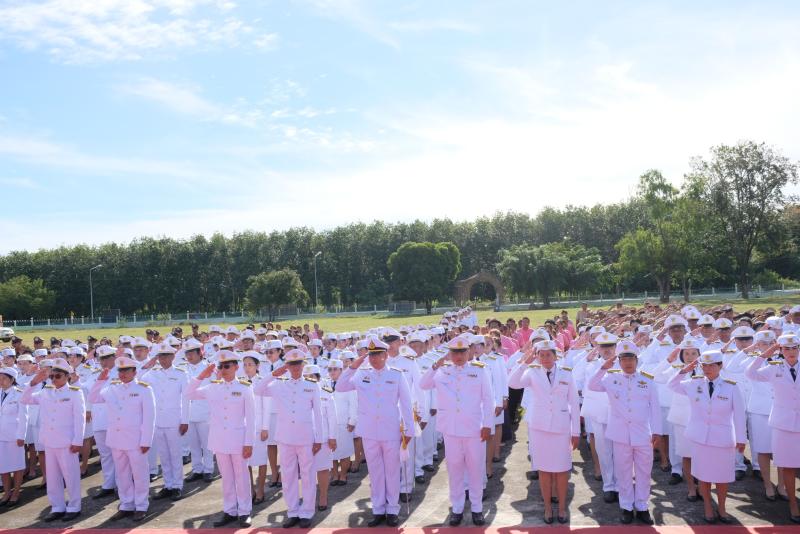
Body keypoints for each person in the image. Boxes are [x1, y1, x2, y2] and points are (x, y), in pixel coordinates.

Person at [336, 337, 414, 528]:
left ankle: (392, 509)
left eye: (377, 354)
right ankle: (378, 509)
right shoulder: (361, 374)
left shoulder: (396, 375)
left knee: (392, 471)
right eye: (370, 355)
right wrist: (354, 365)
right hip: (369, 432)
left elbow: (406, 403)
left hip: (391, 431)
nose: (373, 358)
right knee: (375, 472)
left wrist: (409, 429)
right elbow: (340, 386)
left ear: (385, 355)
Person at [420, 335, 494, 527]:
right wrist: (437, 364)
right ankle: (457, 508)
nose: (459, 356)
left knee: (476, 469)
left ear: (469, 352)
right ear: (450, 354)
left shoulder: (479, 370)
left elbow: (488, 399)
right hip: (451, 430)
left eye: (462, 352)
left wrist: (488, 424)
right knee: (454, 470)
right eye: (455, 352)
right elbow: (423, 384)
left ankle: (477, 508)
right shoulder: (442, 371)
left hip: (474, 429)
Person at [588, 340, 662, 525]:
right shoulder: (610, 378)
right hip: (620, 435)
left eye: (631, 359)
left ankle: (642, 506)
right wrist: (604, 367)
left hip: (643, 434)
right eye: (624, 359)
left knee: (644, 472)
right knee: (624, 472)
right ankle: (627, 506)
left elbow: (655, 408)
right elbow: (592, 385)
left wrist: (657, 431)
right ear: (619, 361)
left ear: (637, 360)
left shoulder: (647, 380)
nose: (628, 363)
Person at [669, 349, 745, 523]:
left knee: (723, 476)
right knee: (703, 475)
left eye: (712, 365)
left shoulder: (731, 386)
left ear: (720, 366)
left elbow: (739, 415)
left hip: (723, 439)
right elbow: (671, 385)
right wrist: (684, 370)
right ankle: (708, 507)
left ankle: (722, 508)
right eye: (704, 365)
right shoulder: (693, 383)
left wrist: (741, 439)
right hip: (700, 438)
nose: (708, 369)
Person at [509, 339, 579, 524]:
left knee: (562, 470)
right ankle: (547, 507)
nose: (545, 358)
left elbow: (574, 403)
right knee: (544, 470)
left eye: (549, 354)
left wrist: (576, 432)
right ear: (537, 356)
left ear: (555, 356)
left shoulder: (566, 373)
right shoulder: (532, 372)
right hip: (540, 428)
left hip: (561, 428)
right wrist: (525, 362)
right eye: (542, 355)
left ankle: (562, 507)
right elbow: (513, 383)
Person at [254, 348, 323, 528]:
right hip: (285, 438)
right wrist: (274, 374)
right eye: (292, 364)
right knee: (288, 476)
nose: (295, 367)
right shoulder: (279, 384)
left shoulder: (312, 385)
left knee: (308, 475)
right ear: (287, 366)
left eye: (298, 364)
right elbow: (257, 389)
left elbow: (318, 414)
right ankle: (292, 511)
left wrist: (319, 438)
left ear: (303, 365)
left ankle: (307, 512)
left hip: (306, 437)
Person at [187, 350, 256, 528]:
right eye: (221, 366)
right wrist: (202, 375)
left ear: (236, 367)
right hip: (219, 440)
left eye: (227, 366)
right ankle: (230, 510)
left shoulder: (245, 388)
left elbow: (251, 418)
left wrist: (249, 443)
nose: (223, 369)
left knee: (241, 477)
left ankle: (244, 511)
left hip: (239, 440)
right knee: (226, 478)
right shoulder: (213, 387)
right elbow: (188, 394)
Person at [90, 356, 156, 522]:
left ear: (134, 372)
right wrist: (100, 381)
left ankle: (141, 505)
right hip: (116, 439)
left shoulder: (144, 389)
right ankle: (126, 504)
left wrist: (146, 440)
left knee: (139, 474)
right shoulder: (112, 388)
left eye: (126, 370)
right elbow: (93, 398)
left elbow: (149, 417)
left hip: (136, 440)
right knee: (122, 474)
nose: (123, 374)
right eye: (120, 370)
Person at [21, 358, 86, 522]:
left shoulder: (74, 393)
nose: (54, 379)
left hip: (67, 442)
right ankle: (57, 507)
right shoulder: (45, 392)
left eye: (58, 376)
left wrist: (78, 441)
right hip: (49, 441)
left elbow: (80, 419)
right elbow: (25, 400)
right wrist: (33, 383)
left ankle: (74, 506)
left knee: (71, 476)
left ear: (67, 376)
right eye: (52, 376)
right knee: (52, 477)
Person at [746, 333, 800, 523]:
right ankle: (793, 505)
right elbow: (750, 374)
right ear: (781, 350)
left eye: (795, 348)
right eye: (786, 348)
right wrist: (767, 352)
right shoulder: (774, 368)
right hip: (783, 424)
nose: (791, 352)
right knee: (788, 465)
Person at [141, 343, 189, 501]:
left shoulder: (181, 373)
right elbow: (139, 381)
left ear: (173, 356)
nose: (163, 359)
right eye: (160, 356)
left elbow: (185, 399)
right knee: (163, 455)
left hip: (174, 419)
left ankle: (177, 486)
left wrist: (185, 420)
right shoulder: (151, 373)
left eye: (166, 356)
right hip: (158, 420)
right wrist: (147, 365)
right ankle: (168, 485)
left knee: (175, 454)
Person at [0, 367, 27, 508]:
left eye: (4, 378)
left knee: (17, 466)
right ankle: (6, 492)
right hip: (1, 436)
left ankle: (16, 493)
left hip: (14, 436)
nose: (1, 381)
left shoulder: (19, 394)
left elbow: (24, 417)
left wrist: (21, 436)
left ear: (12, 380)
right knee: (3, 466)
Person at [328, 359, 357, 485]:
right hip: (329, 425)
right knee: (331, 453)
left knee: (344, 452)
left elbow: (354, 404)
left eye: (335, 369)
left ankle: (343, 475)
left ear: (341, 370)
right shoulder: (325, 384)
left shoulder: (348, 384)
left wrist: (352, 421)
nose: (332, 372)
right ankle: (335, 475)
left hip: (344, 423)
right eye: (330, 369)